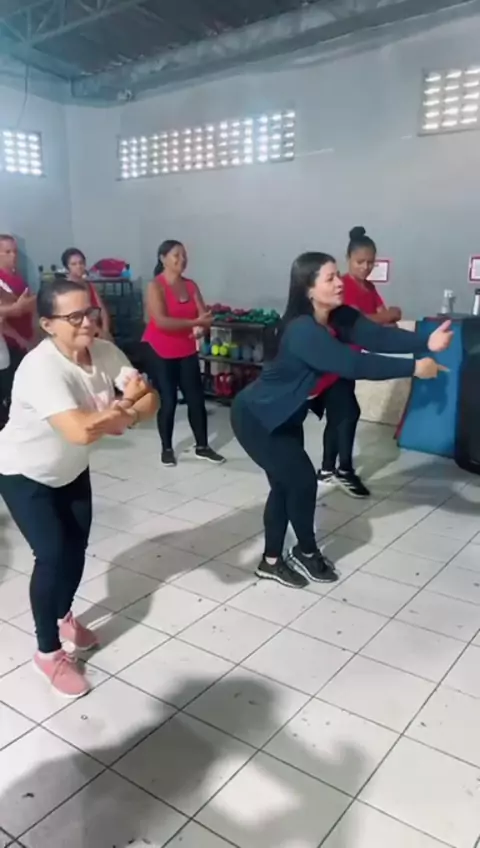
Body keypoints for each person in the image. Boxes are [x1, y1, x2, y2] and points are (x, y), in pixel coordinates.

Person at [231, 252, 451, 589]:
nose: (339, 283)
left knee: (285, 486)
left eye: (337, 275)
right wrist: (413, 367)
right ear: (309, 288)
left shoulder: (339, 316)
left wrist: (426, 341)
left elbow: (377, 337)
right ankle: (306, 551)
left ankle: (271, 561)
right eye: (330, 278)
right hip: (257, 418)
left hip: (285, 416)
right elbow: (351, 364)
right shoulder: (302, 330)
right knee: (302, 481)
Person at [0, 278, 158, 698]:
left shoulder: (104, 352)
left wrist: (125, 410)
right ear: (48, 324)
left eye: (89, 312)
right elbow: (79, 431)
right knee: (51, 554)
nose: (87, 321)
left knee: (76, 547)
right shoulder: (41, 368)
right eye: (74, 317)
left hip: (71, 469)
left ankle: (63, 614)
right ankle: (47, 652)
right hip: (23, 472)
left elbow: (151, 399)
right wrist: (123, 407)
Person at [312, 226, 403, 498]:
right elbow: (359, 322)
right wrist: (387, 315)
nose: (365, 267)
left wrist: (386, 318)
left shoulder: (369, 288)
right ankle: (344, 469)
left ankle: (327, 469)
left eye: (370, 262)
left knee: (339, 415)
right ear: (348, 260)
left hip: (351, 362)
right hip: (335, 359)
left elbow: (381, 320)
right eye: (359, 262)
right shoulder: (342, 286)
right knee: (348, 413)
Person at [142, 239, 225, 466]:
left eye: (184, 255)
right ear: (163, 259)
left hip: (185, 347)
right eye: (176, 255)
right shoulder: (155, 286)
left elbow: (203, 316)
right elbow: (161, 321)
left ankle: (202, 446)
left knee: (196, 399)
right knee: (168, 400)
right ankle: (167, 448)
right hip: (160, 348)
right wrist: (194, 323)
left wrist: (201, 327)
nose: (182, 260)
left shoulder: (190, 286)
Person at [61, 247, 111, 339]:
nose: (79, 266)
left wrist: (105, 331)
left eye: (81, 263)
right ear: (67, 267)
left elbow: (103, 312)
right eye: (74, 264)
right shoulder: (65, 288)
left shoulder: (90, 285)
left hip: (96, 331)